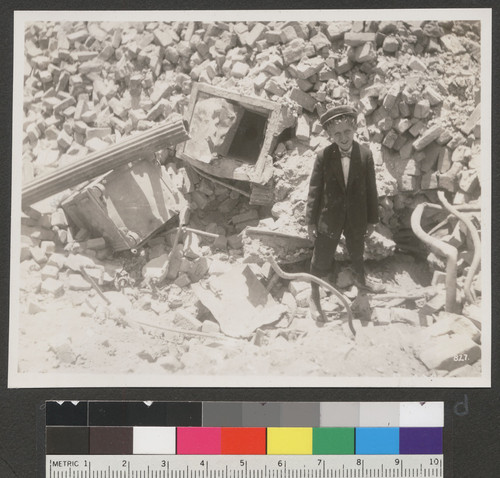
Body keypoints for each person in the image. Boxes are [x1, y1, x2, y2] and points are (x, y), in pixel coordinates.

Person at [305, 105, 380, 321]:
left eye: (347, 131)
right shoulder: (323, 157)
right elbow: (314, 192)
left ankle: (362, 295)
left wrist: (372, 220)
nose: (344, 137)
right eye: (337, 134)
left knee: (357, 255)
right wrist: (310, 223)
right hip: (329, 218)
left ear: (354, 129)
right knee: (320, 258)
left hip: (357, 218)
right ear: (330, 136)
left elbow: (371, 189)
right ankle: (315, 296)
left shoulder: (365, 155)